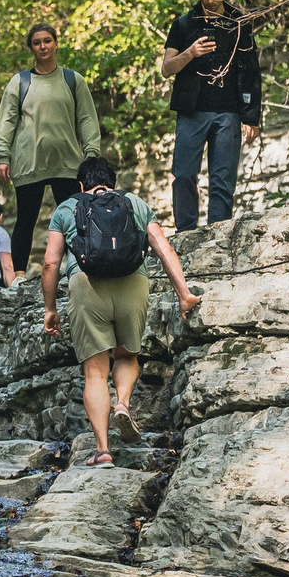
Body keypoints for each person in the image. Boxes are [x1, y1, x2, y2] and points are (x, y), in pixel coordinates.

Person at [38, 155, 201, 465]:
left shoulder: (67, 208)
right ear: (112, 183)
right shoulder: (134, 203)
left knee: (95, 372)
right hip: (132, 283)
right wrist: (184, 295)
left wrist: (50, 309)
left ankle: (103, 450)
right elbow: (163, 247)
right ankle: (123, 403)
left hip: (87, 285)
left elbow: (50, 263)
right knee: (126, 355)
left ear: (81, 185)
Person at [158, 0, 262, 229]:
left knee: (222, 180)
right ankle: (185, 233)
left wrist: (251, 117)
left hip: (228, 111)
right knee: (183, 175)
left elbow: (251, 71)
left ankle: (219, 233)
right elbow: (166, 69)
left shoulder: (239, 23)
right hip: (191, 111)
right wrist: (190, 53)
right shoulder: (183, 25)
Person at [0, 22, 102, 273]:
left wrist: (91, 154)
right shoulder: (20, 82)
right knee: (26, 220)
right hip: (29, 162)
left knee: (74, 219)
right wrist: (2, 156)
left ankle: (75, 270)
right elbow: (6, 120)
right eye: (36, 42)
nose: (42, 46)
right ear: (31, 48)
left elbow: (87, 118)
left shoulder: (72, 80)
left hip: (68, 162)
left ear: (56, 44)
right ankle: (19, 275)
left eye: (47, 41)